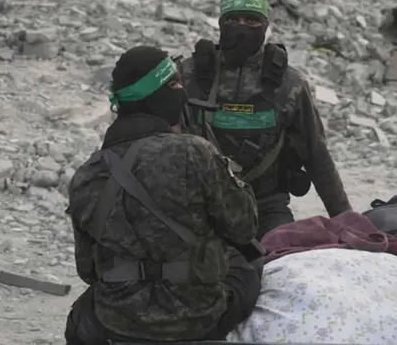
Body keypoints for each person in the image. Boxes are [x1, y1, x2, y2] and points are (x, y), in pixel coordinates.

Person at [65, 46, 263, 344]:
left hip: (117, 321)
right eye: (174, 84)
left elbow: (88, 270)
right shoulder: (194, 151)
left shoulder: (87, 174)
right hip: (199, 318)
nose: (182, 92)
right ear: (152, 95)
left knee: (80, 316)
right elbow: (244, 227)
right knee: (247, 267)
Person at [179, 0, 352, 239]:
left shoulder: (290, 84)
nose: (241, 27)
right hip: (201, 204)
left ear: (265, 25)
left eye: (251, 21)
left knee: (283, 253)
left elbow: (317, 156)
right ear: (221, 22)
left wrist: (347, 223)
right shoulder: (188, 74)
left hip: (266, 207)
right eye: (233, 20)